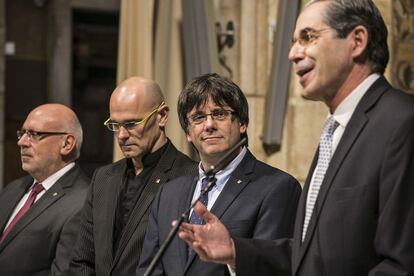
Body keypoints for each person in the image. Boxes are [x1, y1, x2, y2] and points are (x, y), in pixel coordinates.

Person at [177, 0, 414, 275]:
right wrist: (234, 250)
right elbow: (312, 255)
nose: (292, 53)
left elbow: (402, 263)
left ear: (357, 41)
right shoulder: (336, 129)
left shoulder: (401, 123)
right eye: (293, 41)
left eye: (308, 37)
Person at [136, 73, 301, 276]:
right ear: (188, 133)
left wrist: (233, 254)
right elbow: (149, 269)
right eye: (198, 117)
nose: (209, 125)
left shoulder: (279, 188)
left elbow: (273, 269)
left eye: (219, 114)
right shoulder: (167, 194)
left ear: (242, 123)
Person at [68, 76, 195, 276]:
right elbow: (82, 260)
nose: (121, 135)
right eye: (115, 125)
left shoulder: (190, 177)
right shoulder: (103, 177)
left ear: (162, 116)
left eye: (132, 123)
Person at [0, 103, 89, 275]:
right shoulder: (14, 188)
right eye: (22, 133)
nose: (21, 142)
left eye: (34, 134)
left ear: (67, 144)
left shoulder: (83, 201)